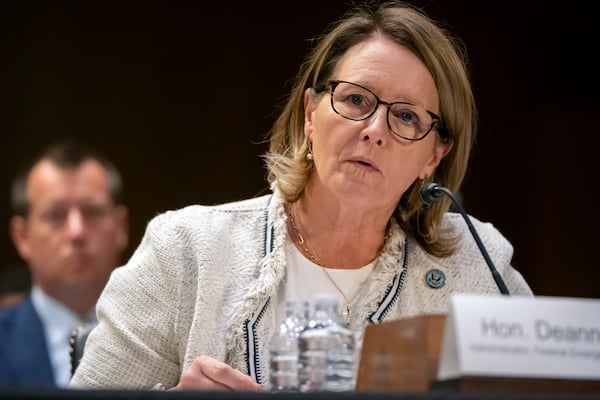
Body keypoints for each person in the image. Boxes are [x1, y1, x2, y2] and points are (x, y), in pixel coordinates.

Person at [70, 0, 533, 392]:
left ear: (434, 155)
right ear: (311, 115)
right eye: (355, 100)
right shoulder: (187, 250)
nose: (374, 131)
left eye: (407, 117)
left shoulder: (476, 266)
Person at [0, 140, 129, 388]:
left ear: (121, 228)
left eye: (93, 212)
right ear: (22, 236)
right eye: (55, 215)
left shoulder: (165, 341)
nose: (76, 232)